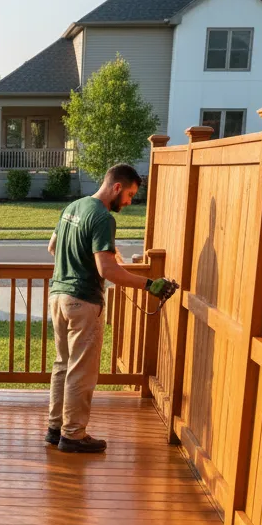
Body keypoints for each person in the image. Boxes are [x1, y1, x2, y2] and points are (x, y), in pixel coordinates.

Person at [46, 163, 178, 453]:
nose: (129, 201)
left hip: (57, 297)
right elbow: (107, 271)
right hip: (83, 300)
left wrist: (80, 260)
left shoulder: (73, 207)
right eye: (129, 194)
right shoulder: (102, 217)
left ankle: (55, 428)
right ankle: (73, 435)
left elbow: (53, 247)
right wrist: (150, 285)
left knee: (63, 365)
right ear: (117, 187)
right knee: (81, 371)